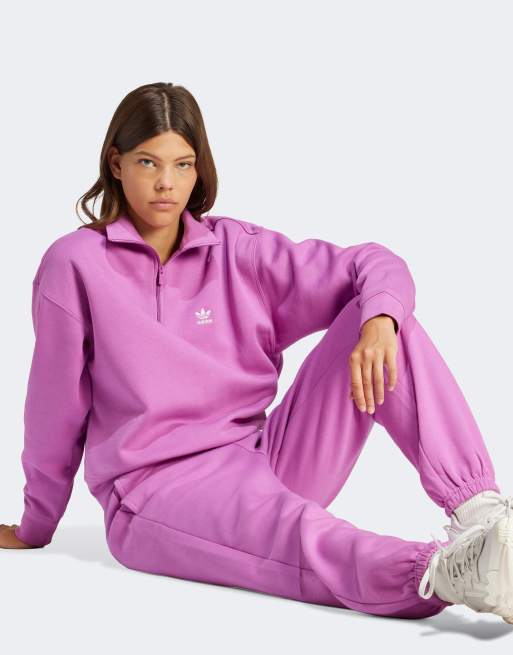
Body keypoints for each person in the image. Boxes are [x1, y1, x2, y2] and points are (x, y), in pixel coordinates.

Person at [1, 82, 512, 623]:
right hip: (155, 491)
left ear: (199, 170)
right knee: (303, 534)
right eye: (148, 162)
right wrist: (37, 523)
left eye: (182, 164)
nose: (166, 183)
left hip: (266, 458)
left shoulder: (235, 251)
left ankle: (485, 516)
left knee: (382, 321)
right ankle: (450, 572)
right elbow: (54, 406)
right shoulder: (76, 264)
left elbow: (375, 262)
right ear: (117, 164)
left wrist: (381, 319)